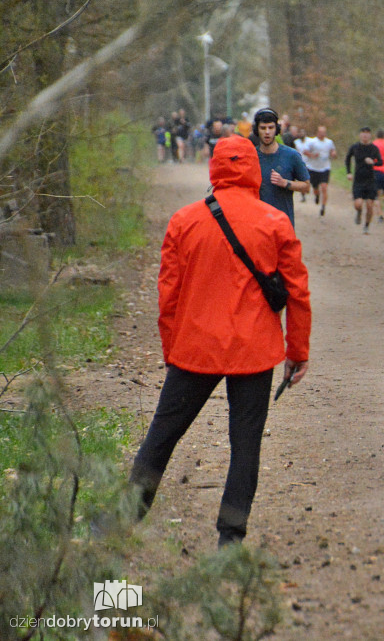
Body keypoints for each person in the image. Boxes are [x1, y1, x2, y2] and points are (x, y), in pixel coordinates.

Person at [128, 134, 312, 547]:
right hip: (254, 351)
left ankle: (124, 519)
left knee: (162, 435)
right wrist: (297, 351)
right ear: (254, 170)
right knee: (245, 445)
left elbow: (168, 295)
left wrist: (171, 349)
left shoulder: (184, 220)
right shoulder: (275, 221)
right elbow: (297, 291)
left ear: (214, 168)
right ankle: (230, 537)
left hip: (194, 349)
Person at [252, 107, 310, 226]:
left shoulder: (291, 155)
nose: (267, 132)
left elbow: (306, 186)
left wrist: (285, 183)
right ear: (256, 130)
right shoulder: (249, 156)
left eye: (271, 128)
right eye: (263, 128)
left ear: (277, 129)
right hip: (257, 225)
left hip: (283, 224)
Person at [346, 127, 383, 233]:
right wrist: (348, 172)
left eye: (367, 133)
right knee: (358, 203)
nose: (365, 135)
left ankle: (366, 225)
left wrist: (373, 162)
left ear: (370, 135)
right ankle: (359, 212)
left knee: (370, 205)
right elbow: (348, 158)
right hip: (358, 180)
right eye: (363, 133)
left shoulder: (374, 148)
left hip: (370, 180)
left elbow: (381, 162)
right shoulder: (355, 147)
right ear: (360, 135)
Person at [304, 125, 338, 217]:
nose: (322, 134)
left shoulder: (329, 142)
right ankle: (317, 195)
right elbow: (305, 151)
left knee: (324, 187)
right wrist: (312, 155)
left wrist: (333, 154)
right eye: (321, 132)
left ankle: (323, 206)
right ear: (317, 133)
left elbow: (333, 151)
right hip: (313, 168)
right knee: (315, 187)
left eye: (324, 132)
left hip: (325, 168)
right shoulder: (312, 142)